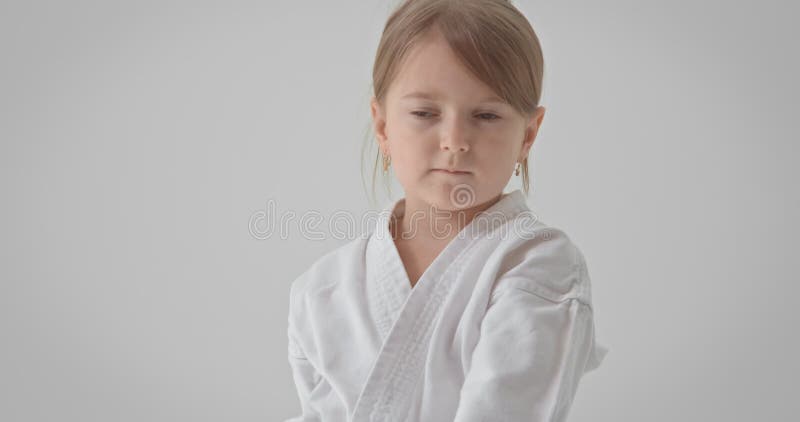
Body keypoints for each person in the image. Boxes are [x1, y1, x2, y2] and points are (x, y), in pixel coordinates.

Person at [285, 0, 609, 420]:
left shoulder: (538, 265)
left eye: (486, 114)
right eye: (424, 113)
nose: (455, 139)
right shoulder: (321, 290)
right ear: (383, 127)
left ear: (528, 134)